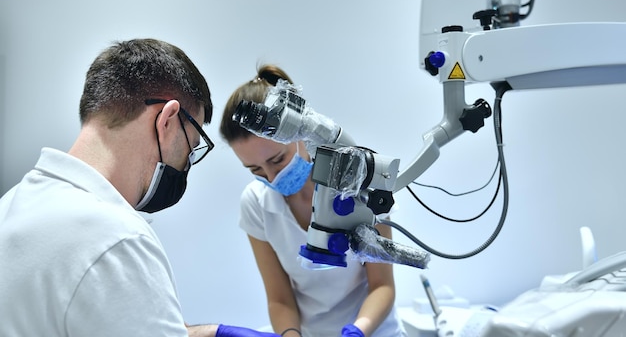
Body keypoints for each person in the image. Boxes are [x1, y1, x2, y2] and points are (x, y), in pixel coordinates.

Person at [0, 38, 278, 337]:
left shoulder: (14, 204)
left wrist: (210, 332)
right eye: (191, 147)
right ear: (168, 120)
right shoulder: (115, 239)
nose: (185, 164)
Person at [219, 64, 408, 337]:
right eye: (256, 170)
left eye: (277, 160)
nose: (272, 178)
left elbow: (382, 286)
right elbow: (280, 299)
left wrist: (357, 331)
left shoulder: (360, 181)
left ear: (299, 134)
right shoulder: (256, 205)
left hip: (374, 330)